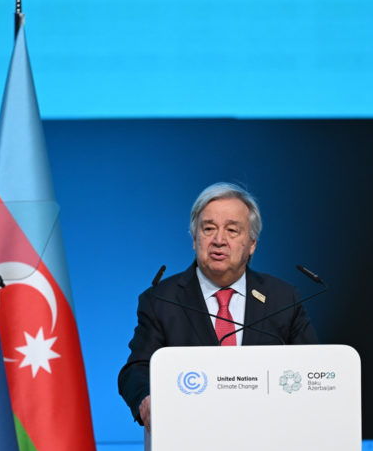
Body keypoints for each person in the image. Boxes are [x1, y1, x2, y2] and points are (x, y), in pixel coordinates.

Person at [117, 182, 318, 431]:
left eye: (232, 230)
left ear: (252, 243)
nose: (219, 240)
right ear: (194, 239)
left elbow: (314, 368)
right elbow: (136, 369)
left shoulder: (282, 298)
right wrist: (145, 399)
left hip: (269, 433)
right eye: (209, 229)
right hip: (191, 434)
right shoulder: (162, 300)